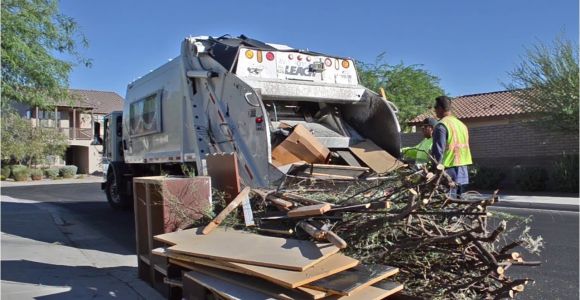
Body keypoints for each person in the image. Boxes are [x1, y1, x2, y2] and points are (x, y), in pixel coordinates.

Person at [431, 96, 473, 197]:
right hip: (463, 168)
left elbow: (438, 151)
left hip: (448, 169)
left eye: (435, 107)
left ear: (441, 108)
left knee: (447, 203)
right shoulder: (462, 125)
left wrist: (434, 171)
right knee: (460, 203)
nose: (434, 110)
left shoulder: (441, 125)